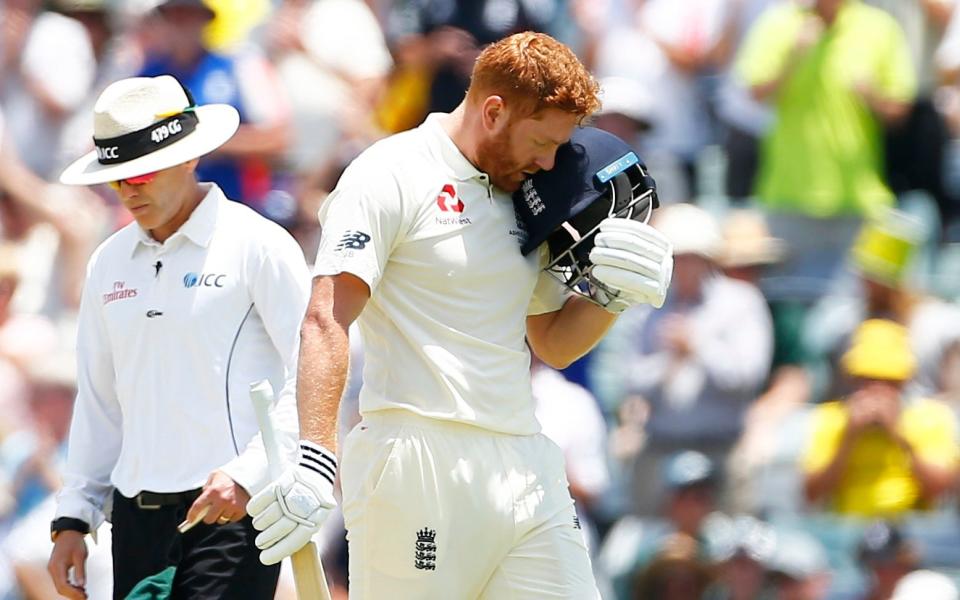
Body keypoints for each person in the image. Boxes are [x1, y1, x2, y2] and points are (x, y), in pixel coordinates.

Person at [247, 31, 673, 598]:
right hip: (415, 460)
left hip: (525, 457)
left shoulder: (529, 189)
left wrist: (612, 295)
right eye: (541, 141)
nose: (550, 161)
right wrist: (315, 460)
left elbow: (552, 343)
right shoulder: (390, 172)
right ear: (493, 111)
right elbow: (326, 318)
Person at [46, 75, 311, 600]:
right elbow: (100, 401)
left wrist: (250, 474)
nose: (127, 190)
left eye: (140, 173)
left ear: (190, 158)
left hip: (232, 510)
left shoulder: (258, 245)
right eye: (116, 178)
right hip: (136, 519)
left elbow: (311, 372)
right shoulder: (108, 262)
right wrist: (73, 516)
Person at [803, 319, 959, 517]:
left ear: (903, 382)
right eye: (867, 380)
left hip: (910, 531)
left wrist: (901, 436)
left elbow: (941, 490)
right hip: (847, 529)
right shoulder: (832, 419)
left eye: (888, 382)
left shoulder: (931, 418)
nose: (876, 390)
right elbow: (811, 494)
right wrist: (848, 438)